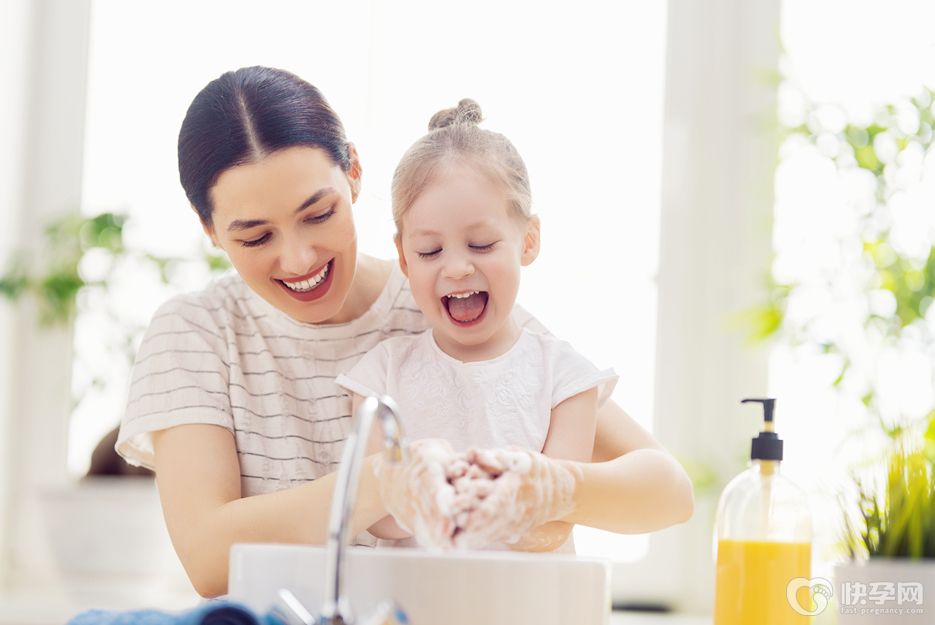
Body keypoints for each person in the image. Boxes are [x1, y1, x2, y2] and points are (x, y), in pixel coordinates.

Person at [115, 66, 694, 598]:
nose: (297, 259)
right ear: (210, 229)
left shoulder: (445, 304)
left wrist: (555, 488)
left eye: (319, 214)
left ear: (355, 174)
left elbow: (666, 489)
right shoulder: (196, 333)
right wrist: (383, 486)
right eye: (255, 237)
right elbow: (209, 559)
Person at [335, 99, 617, 551]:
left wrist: (508, 496)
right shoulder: (379, 376)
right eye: (430, 251)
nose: (459, 268)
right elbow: (375, 520)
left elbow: (556, 524)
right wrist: (416, 491)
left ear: (528, 241)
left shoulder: (566, 379)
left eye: (482, 244)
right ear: (404, 257)